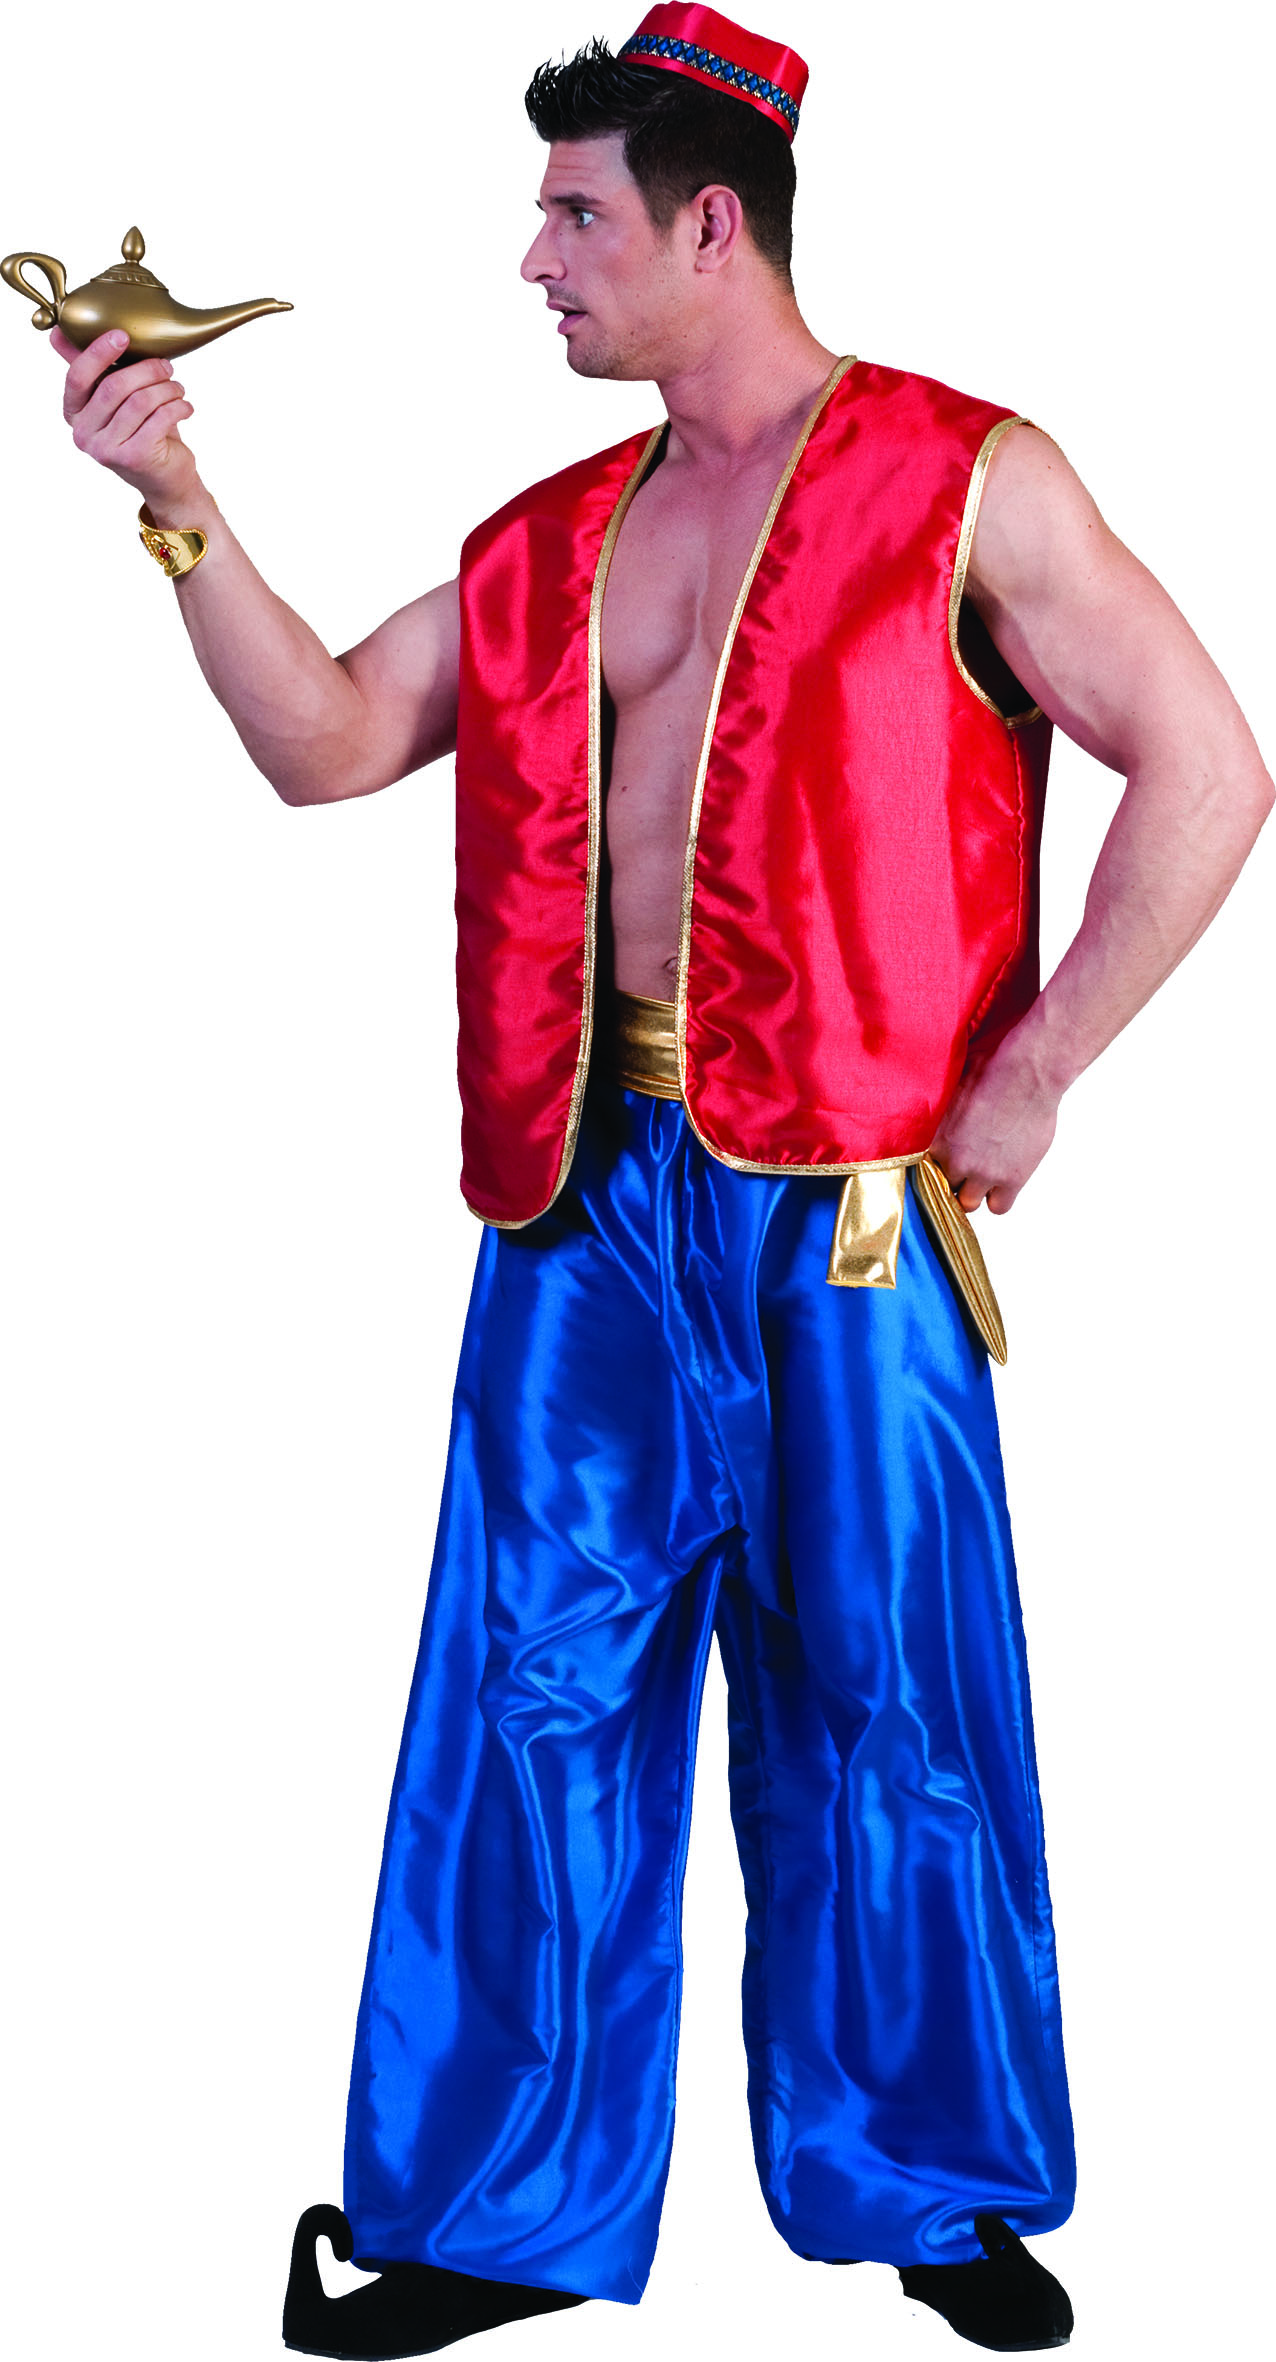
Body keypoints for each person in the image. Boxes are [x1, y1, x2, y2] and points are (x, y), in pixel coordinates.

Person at [50, 9, 1271, 2356]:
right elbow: (326, 738)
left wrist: (1036, 1071)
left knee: (887, 1685)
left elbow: (1204, 764)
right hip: (582, 1201)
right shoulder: (547, 545)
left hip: (850, 1207)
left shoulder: (970, 478)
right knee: (525, 1688)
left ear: (712, 225)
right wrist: (172, 494)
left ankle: (928, 2182)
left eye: (572, 216)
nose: (534, 260)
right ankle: (482, 2210)